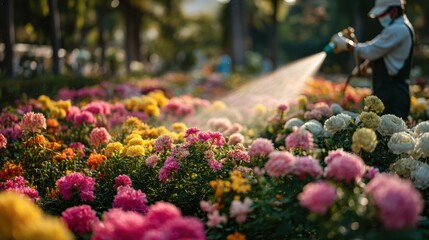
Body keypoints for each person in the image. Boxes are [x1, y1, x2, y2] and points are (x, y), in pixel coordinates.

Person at [333, 0, 414, 120]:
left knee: (388, 132)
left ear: (394, 11)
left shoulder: (397, 29)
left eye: (381, 14)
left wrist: (347, 45)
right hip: (391, 91)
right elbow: (381, 52)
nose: (379, 18)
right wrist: (368, 65)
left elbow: (370, 50)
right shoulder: (402, 27)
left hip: (392, 93)